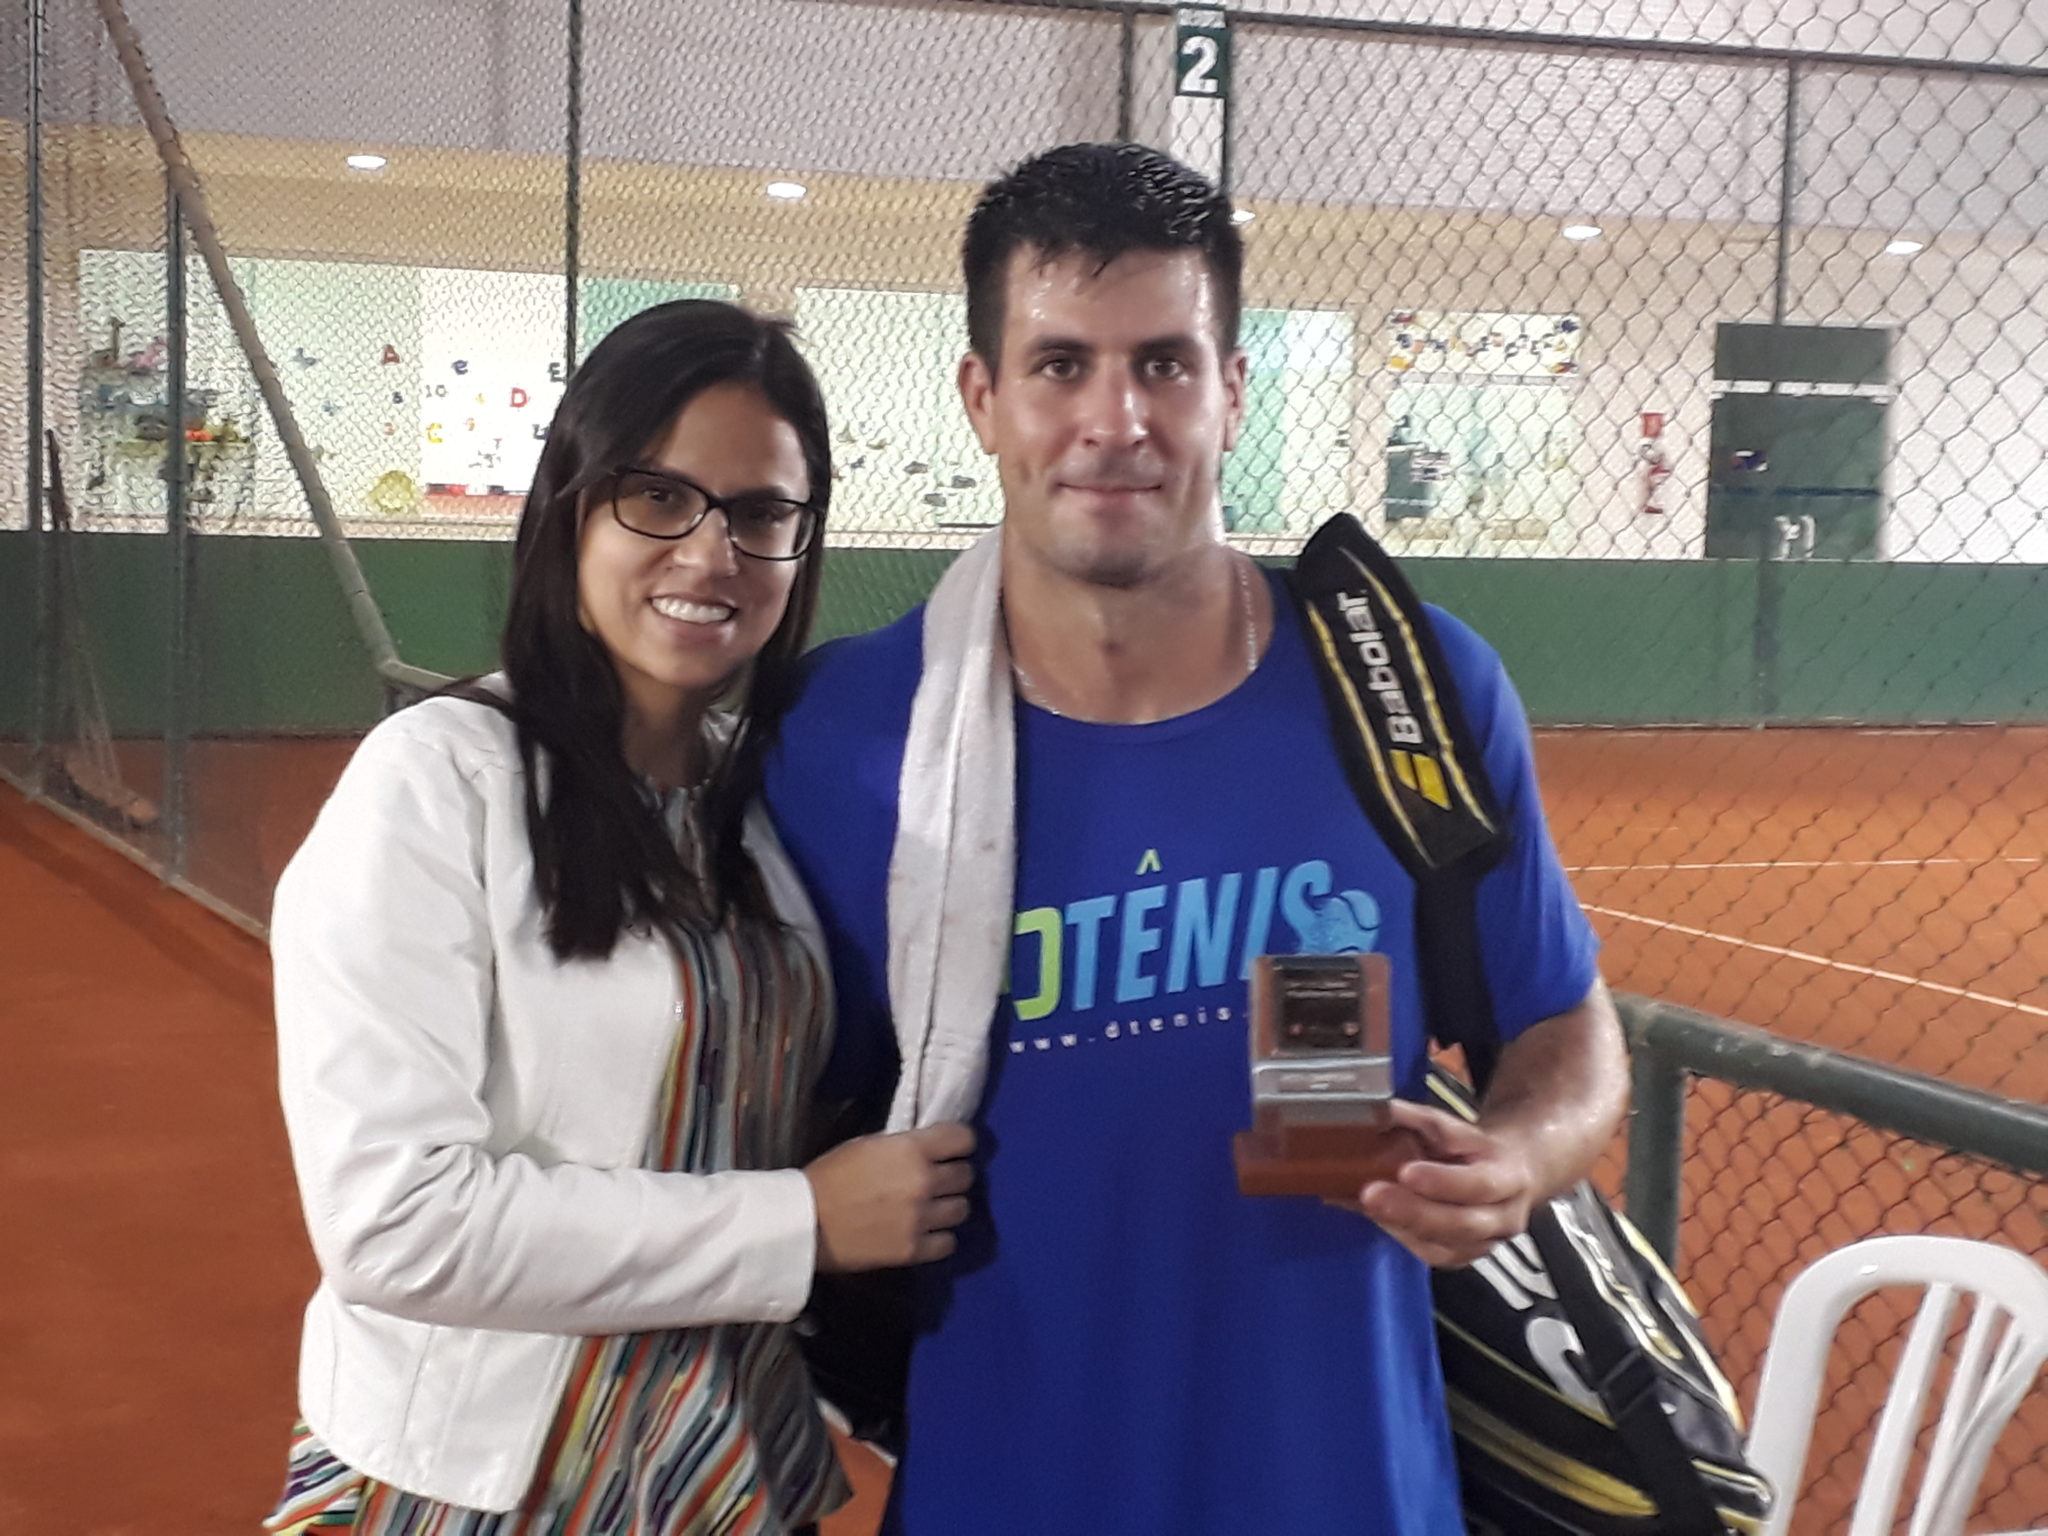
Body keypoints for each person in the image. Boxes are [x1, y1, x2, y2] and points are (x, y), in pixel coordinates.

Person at [763, 144, 1631, 1534]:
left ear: (1230, 389)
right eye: (1059, 365)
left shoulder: (1406, 694)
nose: (1115, 421)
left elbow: (1561, 1023)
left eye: (1163, 364)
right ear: (982, 398)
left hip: (1349, 1494)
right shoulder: (844, 739)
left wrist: (1521, 1156)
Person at [262, 300, 974, 1536]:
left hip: (724, 1474)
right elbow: (394, 1224)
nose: (709, 554)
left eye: (759, 513)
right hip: (479, 1489)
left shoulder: (760, 802)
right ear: (571, 505)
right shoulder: (435, 784)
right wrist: (799, 1223)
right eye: (657, 496)